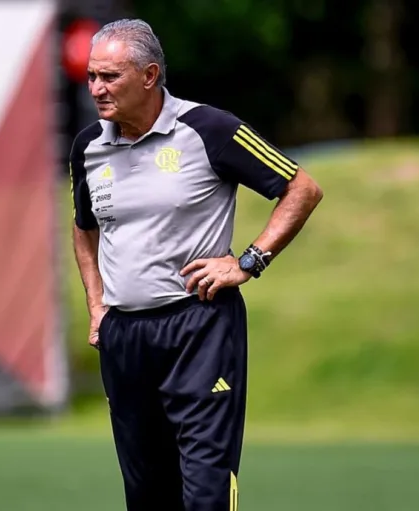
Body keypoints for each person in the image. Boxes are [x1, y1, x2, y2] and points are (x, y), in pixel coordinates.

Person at [69, 18, 323, 511]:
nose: (97, 89)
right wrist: (96, 305)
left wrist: (249, 261)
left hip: (199, 328)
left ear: (149, 75)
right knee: (146, 495)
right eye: (92, 77)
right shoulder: (88, 146)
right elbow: (84, 227)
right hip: (125, 339)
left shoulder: (210, 129)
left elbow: (301, 189)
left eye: (110, 77)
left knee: (206, 493)